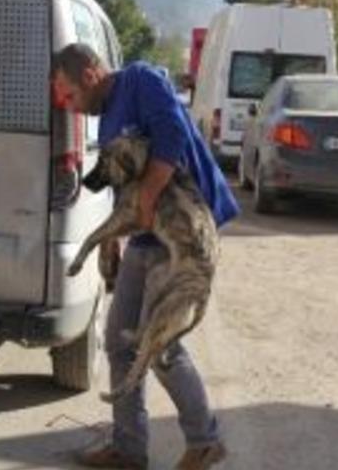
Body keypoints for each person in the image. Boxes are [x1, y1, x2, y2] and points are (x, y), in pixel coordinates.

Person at [51, 43, 240, 470]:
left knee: (158, 346)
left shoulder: (142, 80)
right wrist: (109, 241)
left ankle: (204, 440)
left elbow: (171, 138)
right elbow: (124, 187)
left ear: (91, 74)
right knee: (120, 338)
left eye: (69, 94)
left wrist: (150, 198)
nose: (69, 106)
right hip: (144, 238)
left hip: (181, 237)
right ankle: (129, 449)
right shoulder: (107, 119)